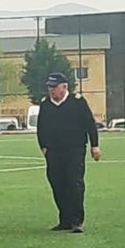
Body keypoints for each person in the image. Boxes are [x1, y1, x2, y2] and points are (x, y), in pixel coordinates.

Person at [36, 72, 101, 233]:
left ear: (64, 87)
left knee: (74, 184)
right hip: (54, 152)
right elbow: (41, 128)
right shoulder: (45, 104)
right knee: (57, 184)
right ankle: (64, 220)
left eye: (54, 87)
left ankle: (76, 221)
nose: (51, 90)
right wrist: (44, 146)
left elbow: (89, 124)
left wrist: (95, 145)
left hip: (75, 150)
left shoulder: (77, 102)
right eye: (49, 87)